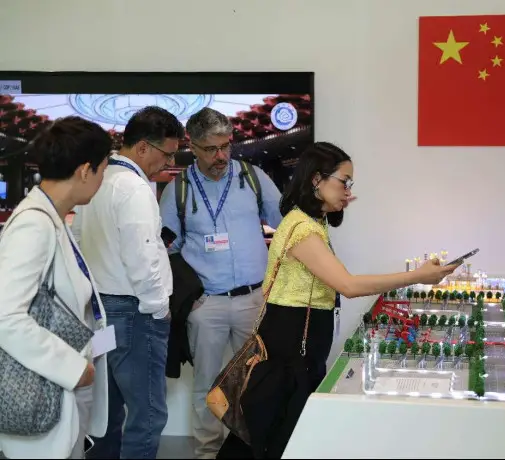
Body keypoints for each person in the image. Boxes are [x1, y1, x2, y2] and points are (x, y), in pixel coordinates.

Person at [239, 141, 458, 458]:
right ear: (316, 180)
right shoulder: (301, 227)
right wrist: (416, 276)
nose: (348, 190)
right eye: (344, 181)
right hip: (290, 338)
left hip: (302, 336)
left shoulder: (314, 221)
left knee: (289, 425)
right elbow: (348, 285)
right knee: (282, 430)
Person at [158, 107, 283, 459]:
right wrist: (190, 300)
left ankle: (256, 448)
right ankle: (207, 453)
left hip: (253, 301)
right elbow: (164, 248)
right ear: (193, 147)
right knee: (208, 386)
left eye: (226, 146)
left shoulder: (252, 177)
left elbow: (287, 222)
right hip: (207, 305)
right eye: (211, 149)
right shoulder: (178, 190)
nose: (221, 156)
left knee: (259, 381)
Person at [71, 106, 185, 460]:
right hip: (135, 312)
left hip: (101, 310)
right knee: (147, 416)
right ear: (142, 149)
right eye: (167, 154)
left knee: (107, 414)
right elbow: (144, 258)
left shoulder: (96, 181)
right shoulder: (134, 188)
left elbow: (78, 243)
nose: (168, 164)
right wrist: (158, 309)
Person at [0, 116, 112, 459]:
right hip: (41, 392)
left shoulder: (53, 217)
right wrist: (72, 368)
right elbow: (5, 316)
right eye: (102, 170)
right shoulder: (34, 225)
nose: (102, 180)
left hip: (62, 389)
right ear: (84, 170)